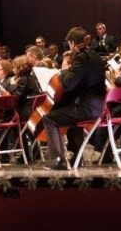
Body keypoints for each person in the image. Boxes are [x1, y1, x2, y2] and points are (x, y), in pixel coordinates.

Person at [42, 27, 107, 170]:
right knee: (70, 112)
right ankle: (78, 157)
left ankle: (57, 160)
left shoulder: (81, 58)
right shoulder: (96, 56)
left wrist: (65, 70)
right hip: (99, 108)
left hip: (88, 109)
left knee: (49, 118)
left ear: (72, 43)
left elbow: (67, 84)